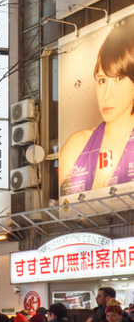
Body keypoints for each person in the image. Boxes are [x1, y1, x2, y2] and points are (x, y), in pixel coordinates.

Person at [60, 24, 134, 195]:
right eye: (102, 80)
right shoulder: (77, 144)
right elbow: (60, 210)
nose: (106, 94)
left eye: (119, 78)